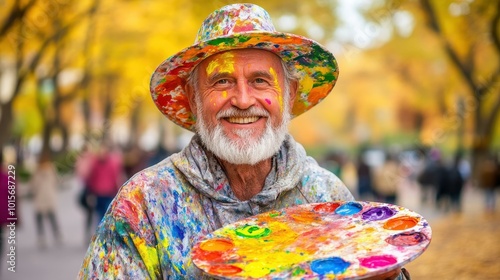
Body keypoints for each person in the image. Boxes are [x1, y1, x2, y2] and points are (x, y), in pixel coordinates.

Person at [78, 4, 408, 279]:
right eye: (222, 81)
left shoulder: (326, 196)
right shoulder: (145, 205)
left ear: (289, 95)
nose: (242, 99)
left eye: (260, 81)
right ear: (193, 99)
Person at [30, 149, 62, 249]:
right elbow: (57, 181)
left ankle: (41, 236)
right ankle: (56, 234)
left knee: (40, 217)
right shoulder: (51, 168)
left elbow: (33, 185)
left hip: (40, 197)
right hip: (49, 196)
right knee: (51, 216)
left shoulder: (37, 170)